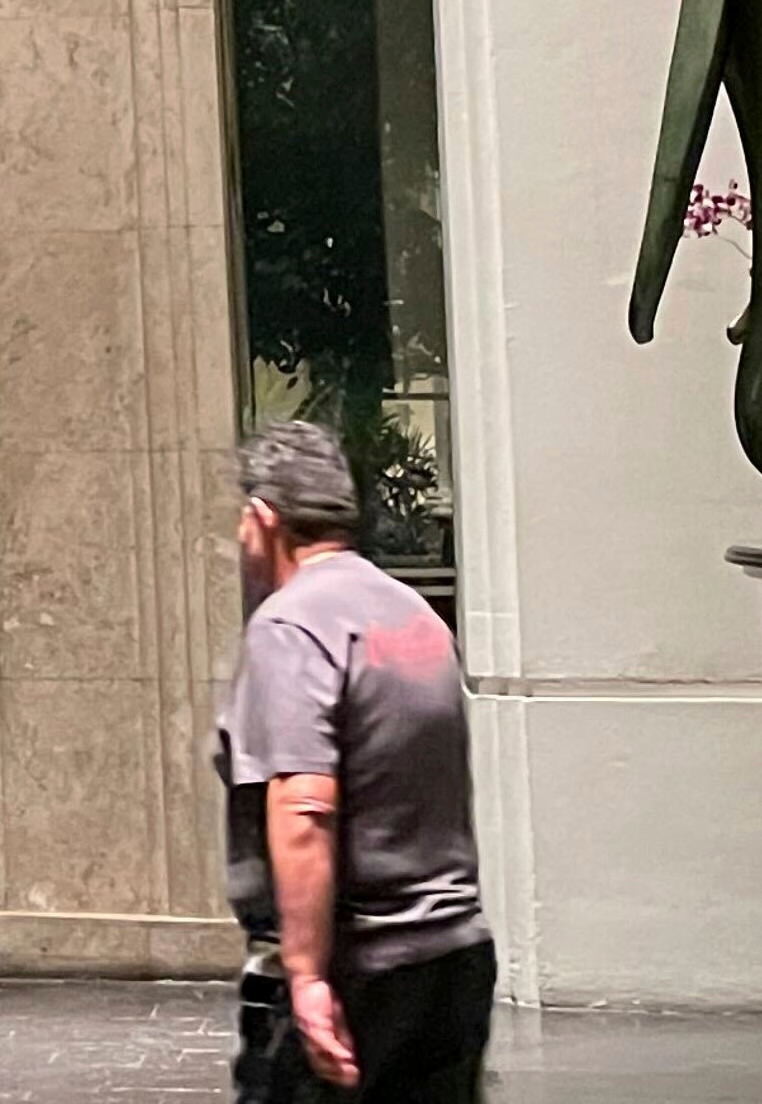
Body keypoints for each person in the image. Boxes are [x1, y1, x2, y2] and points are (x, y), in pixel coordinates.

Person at [221, 421, 491, 1102]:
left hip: (361, 971)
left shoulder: (291, 624)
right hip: (453, 959)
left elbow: (304, 805)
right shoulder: (410, 613)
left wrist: (307, 977)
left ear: (262, 518)